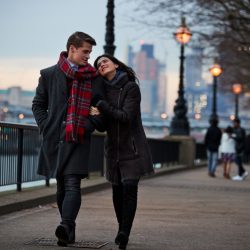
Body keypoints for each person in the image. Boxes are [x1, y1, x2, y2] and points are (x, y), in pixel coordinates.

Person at [32, 31, 105, 246]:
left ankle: (65, 224)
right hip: (55, 138)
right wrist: (46, 126)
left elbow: (101, 113)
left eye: (90, 53)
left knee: (73, 183)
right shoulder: (48, 74)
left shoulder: (94, 79)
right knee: (62, 185)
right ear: (72, 49)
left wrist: (87, 125)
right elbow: (38, 105)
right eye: (85, 51)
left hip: (79, 138)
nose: (88, 57)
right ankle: (68, 231)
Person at [90, 54, 154, 250]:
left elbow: (126, 116)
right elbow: (102, 127)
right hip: (113, 150)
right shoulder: (101, 91)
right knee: (117, 192)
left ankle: (124, 232)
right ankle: (121, 229)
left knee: (129, 190)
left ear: (116, 65)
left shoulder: (130, 88)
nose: (101, 65)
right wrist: (96, 115)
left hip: (132, 147)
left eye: (105, 61)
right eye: (98, 64)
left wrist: (102, 106)